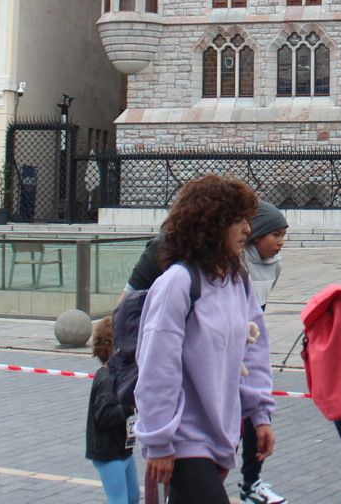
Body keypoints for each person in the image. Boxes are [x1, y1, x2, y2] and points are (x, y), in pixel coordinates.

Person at [133, 175, 273, 504]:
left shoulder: (238, 281)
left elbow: (253, 353)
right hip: (183, 439)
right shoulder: (178, 283)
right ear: (211, 224)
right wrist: (158, 441)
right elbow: (157, 367)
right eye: (237, 220)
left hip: (221, 437)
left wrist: (260, 415)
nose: (247, 230)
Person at [239, 202, 290, 504]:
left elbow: (260, 309)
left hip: (252, 346)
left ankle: (252, 482)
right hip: (230, 350)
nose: (280, 241)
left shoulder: (277, 264)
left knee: (257, 416)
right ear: (255, 235)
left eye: (284, 234)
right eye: (275, 234)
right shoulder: (238, 262)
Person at [87, 316, 140, 504]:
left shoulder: (117, 374)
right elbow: (103, 415)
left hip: (122, 449)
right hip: (109, 452)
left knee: (132, 497)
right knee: (119, 500)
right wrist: (130, 406)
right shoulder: (107, 378)